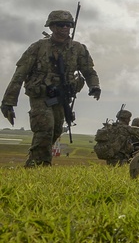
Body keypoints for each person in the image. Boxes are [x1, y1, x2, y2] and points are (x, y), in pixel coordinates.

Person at [2, 9, 101, 167]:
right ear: (52, 27)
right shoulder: (38, 47)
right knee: (44, 128)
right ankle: (38, 166)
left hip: (62, 97)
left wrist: (94, 86)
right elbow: (20, 74)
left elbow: (89, 71)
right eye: (61, 25)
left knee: (55, 130)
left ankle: (37, 161)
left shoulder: (78, 49)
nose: (65, 28)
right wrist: (8, 101)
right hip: (41, 95)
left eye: (68, 25)